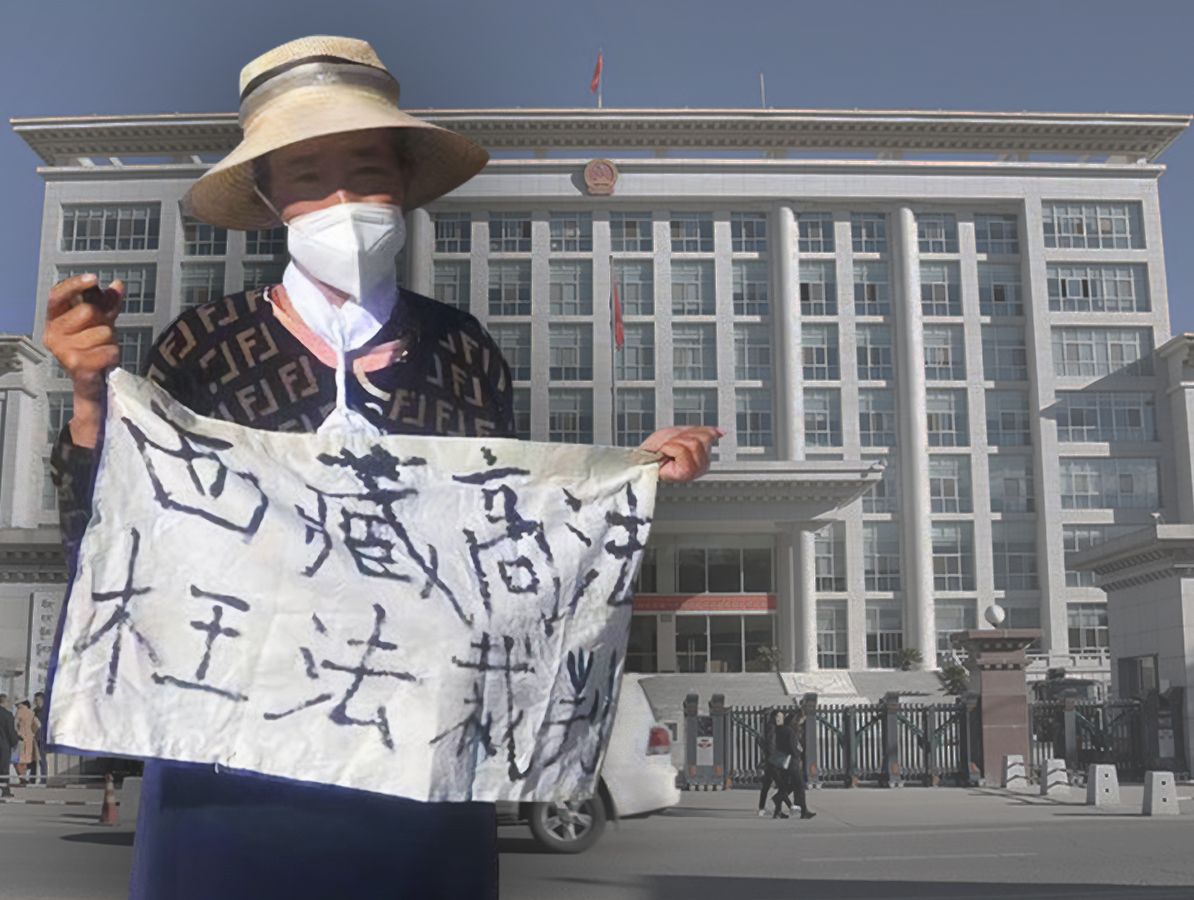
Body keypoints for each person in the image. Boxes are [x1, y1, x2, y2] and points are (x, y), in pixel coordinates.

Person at [43, 36, 720, 900]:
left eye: (365, 171)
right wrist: (91, 399)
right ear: (266, 195)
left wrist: (629, 479)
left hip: (419, 765)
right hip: (230, 767)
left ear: (403, 182)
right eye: (307, 175)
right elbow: (111, 555)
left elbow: (501, 559)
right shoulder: (202, 350)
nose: (341, 200)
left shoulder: (462, 352)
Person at [782, 709, 816, 820]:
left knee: (796, 785)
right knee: (800, 785)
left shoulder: (788, 728)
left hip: (790, 761)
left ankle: (800, 807)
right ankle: (803, 810)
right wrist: (798, 752)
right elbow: (793, 746)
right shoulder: (793, 730)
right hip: (793, 762)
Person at [14, 700, 38, 786]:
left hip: (21, 737)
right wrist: (33, 733)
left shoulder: (19, 711)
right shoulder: (31, 712)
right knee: (26, 759)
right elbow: (38, 724)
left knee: (18, 759)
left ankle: (22, 778)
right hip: (30, 737)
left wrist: (16, 733)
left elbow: (15, 724)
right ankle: (25, 779)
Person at [0, 697, 15, 798]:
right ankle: (5, 791)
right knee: (4, 769)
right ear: (4, 702)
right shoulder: (7, 715)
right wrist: (14, 742)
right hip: (3, 746)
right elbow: (11, 732)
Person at [32, 692, 47, 785]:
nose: (35, 702)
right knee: (35, 759)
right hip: (35, 737)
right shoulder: (35, 711)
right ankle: (34, 778)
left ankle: (43, 779)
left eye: (37, 700)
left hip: (43, 738)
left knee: (42, 759)